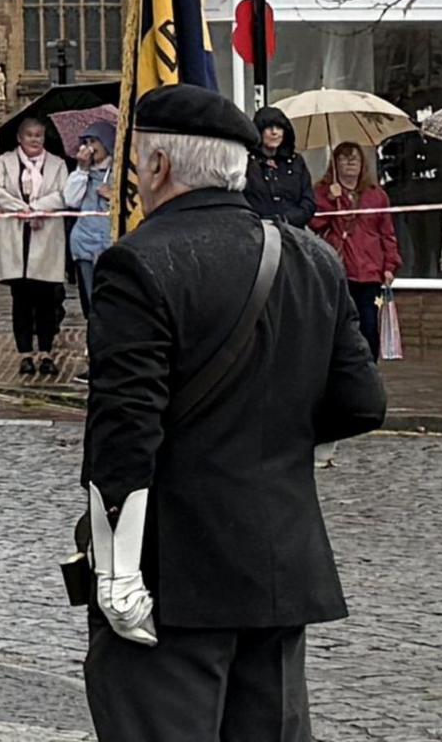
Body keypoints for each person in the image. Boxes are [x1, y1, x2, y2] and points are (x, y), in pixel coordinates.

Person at [78, 85, 385, 742]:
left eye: (136, 166)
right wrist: (266, 435)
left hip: (175, 571)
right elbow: (362, 402)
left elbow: (126, 434)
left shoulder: (136, 263)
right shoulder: (311, 256)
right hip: (279, 559)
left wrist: (118, 569)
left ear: (158, 168)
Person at [0, 113, 74, 376]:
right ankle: (25, 354)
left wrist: (37, 208)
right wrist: (23, 210)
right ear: (19, 137)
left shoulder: (58, 164)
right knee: (21, 300)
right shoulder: (4, 162)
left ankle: (46, 352)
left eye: (39, 135)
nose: (35, 139)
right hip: (15, 236)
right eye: (30, 135)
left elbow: (63, 193)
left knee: (47, 299)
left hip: (46, 235)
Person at [312, 142, 401, 357]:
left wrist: (390, 265)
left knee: (369, 325)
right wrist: (332, 202)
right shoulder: (322, 192)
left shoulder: (376, 195)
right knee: (339, 325)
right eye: (344, 158)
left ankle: (368, 369)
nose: (350, 162)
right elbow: (315, 224)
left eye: (355, 158)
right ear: (335, 164)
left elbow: (387, 234)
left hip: (370, 272)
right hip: (339, 270)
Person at [67, 131, 118, 311]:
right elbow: (71, 200)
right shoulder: (84, 173)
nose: (89, 146)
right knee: (90, 301)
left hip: (110, 243)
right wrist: (81, 170)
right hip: (85, 243)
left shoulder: (118, 172)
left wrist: (112, 196)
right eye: (86, 141)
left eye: (94, 141)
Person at [244, 108, 318, 232]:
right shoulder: (247, 163)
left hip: (294, 233)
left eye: (279, 128)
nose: (274, 133)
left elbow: (308, 202)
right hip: (259, 233)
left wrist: (286, 219)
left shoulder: (296, 162)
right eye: (269, 128)